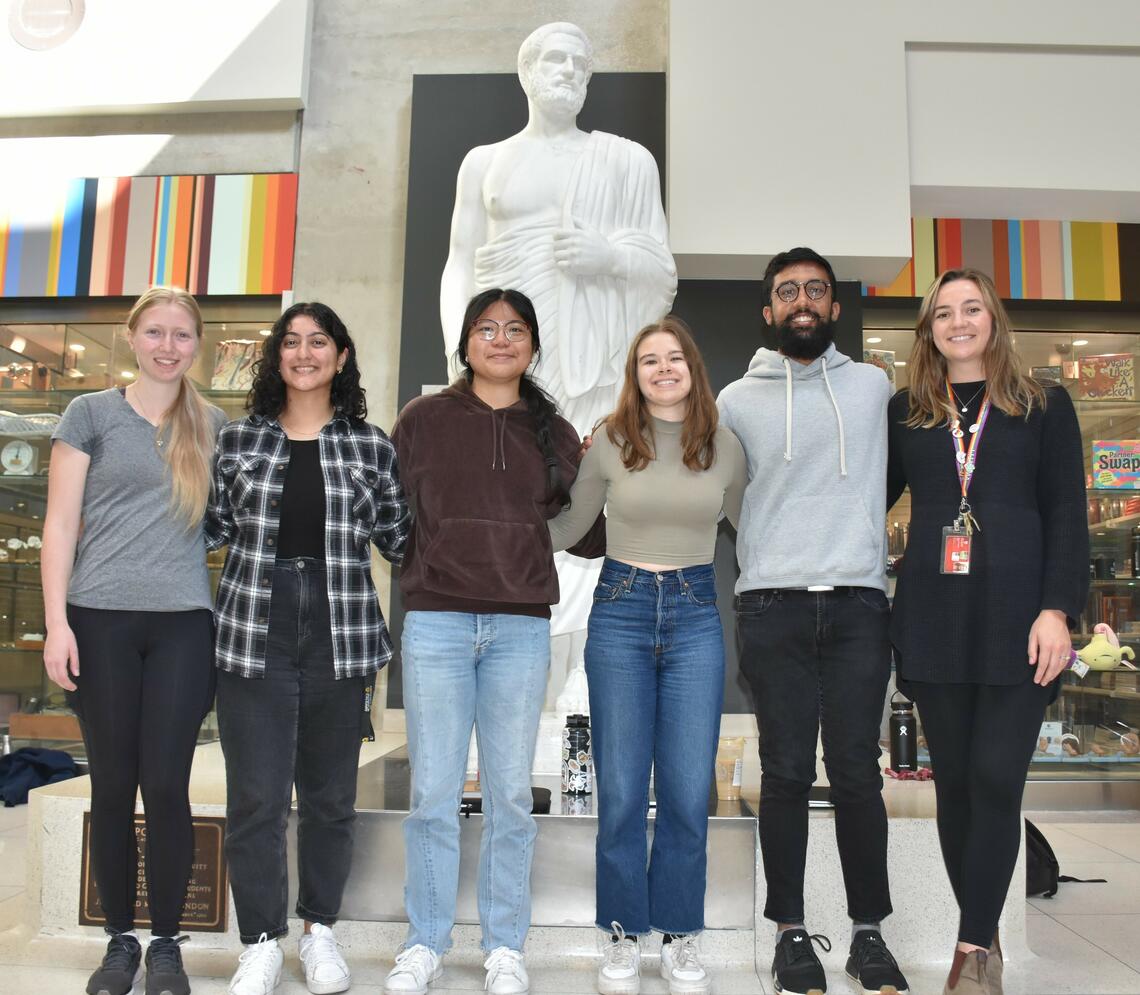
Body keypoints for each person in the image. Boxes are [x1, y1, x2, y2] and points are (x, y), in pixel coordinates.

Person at [439, 20, 677, 707]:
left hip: (594, 367)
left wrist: (609, 259)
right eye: (555, 60)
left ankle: (577, 688)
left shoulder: (627, 161)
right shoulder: (486, 163)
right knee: (512, 509)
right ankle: (520, 687)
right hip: (511, 374)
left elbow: (660, 271)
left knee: (588, 507)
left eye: (581, 63)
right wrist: (463, 359)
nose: (569, 71)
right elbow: (460, 263)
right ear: (527, 72)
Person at [384, 288, 602, 995]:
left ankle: (506, 944)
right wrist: (426, 565)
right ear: (466, 342)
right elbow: (390, 519)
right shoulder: (422, 420)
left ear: (532, 345)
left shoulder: (556, 431)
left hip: (519, 626)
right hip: (438, 623)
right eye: (487, 328)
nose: (500, 339)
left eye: (515, 329)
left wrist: (602, 473)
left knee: (510, 793)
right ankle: (425, 942)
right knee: (433, 793)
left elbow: (589, 534)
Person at [886, 269, 1088, 995]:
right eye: (944, 312)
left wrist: (1057, 608)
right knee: (959, 788)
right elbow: (859, 500)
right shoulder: (906, 411)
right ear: (929, 328)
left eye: (972, 308)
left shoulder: (1043, 405)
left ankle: (970, 953)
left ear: (993, 319)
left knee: (999, 777)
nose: (959, 321)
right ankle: (986, 938)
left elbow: (1067, 512)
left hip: (1019, 619)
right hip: (935, 620)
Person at [717, 247, 909, 995]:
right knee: (788, 771)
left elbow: (887, 478)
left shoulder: (871, 388)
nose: (802, 300)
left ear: (834, 307)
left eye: (816, 290)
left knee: (859, 772)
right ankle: (791, 933)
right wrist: (774, 543)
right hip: (772, 604)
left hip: (861, 601)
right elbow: (731, 497)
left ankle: (869, 934)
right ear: (769, 310)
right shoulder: (736, 398)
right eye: (788, 290)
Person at [207, 303, 410, 995]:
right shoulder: (237, 441)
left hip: (340, 627)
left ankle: (319, 929)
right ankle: (261, 939)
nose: (303, 352)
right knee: (256, 797)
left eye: (318, 341)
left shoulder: (370, 445)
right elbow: (203, 525)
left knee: (329, 797)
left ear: (341, 356)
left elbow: (400, 538)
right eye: (290, 341)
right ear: (276, 357)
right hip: (251, 629)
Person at [547, 316, 746, 995]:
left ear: (692, 366)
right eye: (648, 361)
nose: (662, 369)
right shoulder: (610, 441)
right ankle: (624, 931)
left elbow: (756, 530)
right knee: (625, 786)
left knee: (690, 789)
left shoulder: (725, 447)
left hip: (695, 616)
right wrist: (484, 524)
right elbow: (570, 525)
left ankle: (682, 932)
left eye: (673, 358)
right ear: (635, 376)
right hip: (621, 611)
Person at [41, 286, 226, 995]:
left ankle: (168, 944)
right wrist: (57, 623)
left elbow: (229, 523)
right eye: (155, 331)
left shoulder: (211, 424)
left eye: (182, 334)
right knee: (114, 784)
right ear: (132, 337)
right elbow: (60, 525)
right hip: (99, 618)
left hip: (184, 624)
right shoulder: (88, 414)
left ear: (196, 344)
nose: (168, 345)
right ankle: (119, 940)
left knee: (168, 786)